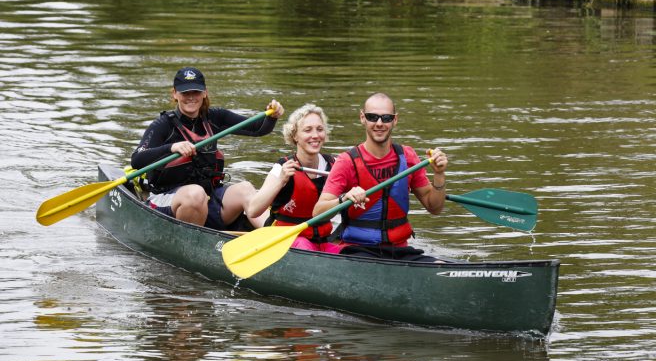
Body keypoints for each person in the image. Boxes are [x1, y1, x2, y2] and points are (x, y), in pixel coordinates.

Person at [130, 66, 284, 230]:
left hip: (208, 199)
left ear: (205, 93)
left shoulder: (215, 117)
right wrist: (172, 147)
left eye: (196, 92)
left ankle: (275, 236)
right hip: (167, 199)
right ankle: (190, 244)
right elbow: (137, 160)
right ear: (175, 94)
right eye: (185, 93)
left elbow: (259, 129)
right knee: (195, 194)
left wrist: (271, 116)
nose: (191, 97)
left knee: (245, 188)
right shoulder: (163, 125)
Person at [312, 92, 448, 261]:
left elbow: (434, 208)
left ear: (395, 120)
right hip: (358, 250)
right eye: (372, 117)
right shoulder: (347, 162)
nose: (379, 123)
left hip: (399, 251)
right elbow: (317, 214)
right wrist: (343, 199)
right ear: (362, 118)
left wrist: (439, 174)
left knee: (439, 265)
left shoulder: (408, 157)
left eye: (386, 118)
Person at [247, 104, 339, 253]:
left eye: (319, 129)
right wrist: (280, 181)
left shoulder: (334, 165)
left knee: (346, 251)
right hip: (287, 239)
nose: (315, 135)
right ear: (295, 135)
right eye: (308, 130)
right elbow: (253, 210)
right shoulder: (283, 167)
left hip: (321, 240)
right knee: (304, 247)